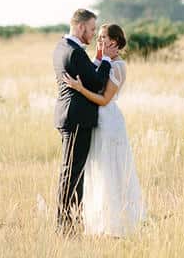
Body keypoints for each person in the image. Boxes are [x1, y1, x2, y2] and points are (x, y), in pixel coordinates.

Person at [62, 23, 146, 237]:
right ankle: (100, 222)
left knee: (112, 169)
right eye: (97, 37)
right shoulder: (102, 62)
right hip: (96, 122)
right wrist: (99, 59)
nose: (99, 41)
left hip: (109, 121)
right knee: (97, 169)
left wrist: (80, 88)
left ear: (114, 42)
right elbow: (95, 77)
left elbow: (104, 98)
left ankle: (118, 224)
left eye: (103, 37)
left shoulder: (118, 66)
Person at [52, 9, 118, 236]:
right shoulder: (76, 53)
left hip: (68, 115)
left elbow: (88, 73)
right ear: (80, 28)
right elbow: (98, 82)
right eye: (91, 29)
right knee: (73, 174)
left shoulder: (61, 47)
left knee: (70, 172)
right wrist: (107, 59)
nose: (93, 35)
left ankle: (68, 224)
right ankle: (67, 226)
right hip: (78, 118)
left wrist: (99, 59)